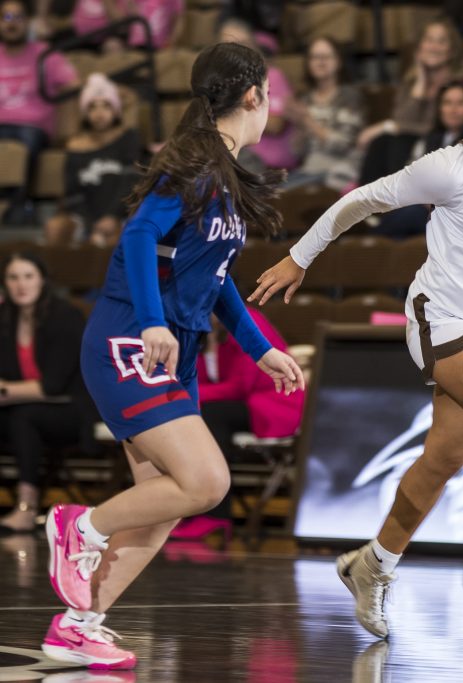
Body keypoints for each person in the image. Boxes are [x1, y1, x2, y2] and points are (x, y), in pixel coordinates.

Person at [250, 65, 463, 638]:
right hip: (444, 318)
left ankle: (373, 564)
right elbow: (363, 199)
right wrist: (300, 257)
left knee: (442, 461)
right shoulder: (451, 167)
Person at [43, 42, 304, 670]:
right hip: (131, 340)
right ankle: (81, 527)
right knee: (208, 481)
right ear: (254, 96)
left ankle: (79, 626)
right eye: (269, 95)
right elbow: (137, 235)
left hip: (169, 351)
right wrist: (155, 323)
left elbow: (214, 282)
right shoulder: (194, 162)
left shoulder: (223, 171)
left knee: (165, 504)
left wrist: (260, 347)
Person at [172, 306, 305, 541]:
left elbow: (240, 386)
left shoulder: (247, 320)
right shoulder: (194, 326)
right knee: (187, 417)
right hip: (240, 405)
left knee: (210, 416)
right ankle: (192, 506)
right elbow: (194, 378)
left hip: (274, 403)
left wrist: (182, 394)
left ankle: (217, 514)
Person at [0, 253, 97, 535]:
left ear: (42, 280)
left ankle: (27, 508)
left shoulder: (65, 316)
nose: (21, 285)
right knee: (22, 415)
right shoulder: (6, 318)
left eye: (28, 276)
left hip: (72, 410)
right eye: (13, 277)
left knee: (24, 417)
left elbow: (52, 386)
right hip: (23, 407)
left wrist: (5, 390)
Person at [357, 18, 463, 184]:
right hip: (410, 145)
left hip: (442, 146)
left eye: (441, 41)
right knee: (382, 142)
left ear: (451, 50)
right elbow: (402, 119)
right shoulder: (411, 82)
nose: (434, 47)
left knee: (397, 140)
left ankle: (394, 201)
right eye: (429, 40)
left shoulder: (457, 84)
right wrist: (421, 79)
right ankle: (368, 203)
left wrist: (386, 126)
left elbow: (435, 127)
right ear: (420, 47)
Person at [0, 0, 79, 224]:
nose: (11, 24)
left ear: (27, 22)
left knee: (25, 141)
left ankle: (19, 204)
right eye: (6, 18)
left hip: (33, 129)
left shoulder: (45, 54)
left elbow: (73, 84)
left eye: (17, 18)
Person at [44, 73, 141, 248]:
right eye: (92, 107)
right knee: (55, 227)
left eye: (106, 106)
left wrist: (112, 216)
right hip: (85, 216)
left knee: (115, 238)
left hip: (121, 212)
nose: (99, 113)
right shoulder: (75, 146)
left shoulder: (128, 138)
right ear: (85, 112)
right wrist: (91, 223)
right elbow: (72, 193)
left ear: (116, 110)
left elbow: (132, 180)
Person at [376, 81, 463, 239]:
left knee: (407, 217)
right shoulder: (428, 139)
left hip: (461, 216)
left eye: (461, 103)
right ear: (439, 108)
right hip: (424, 207)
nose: (453, 110)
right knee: (400, 235)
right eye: (447, 103)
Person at [283, 37, 365, 192]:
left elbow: (344, 144)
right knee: (268, 193)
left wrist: (307, 121)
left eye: (327, 57)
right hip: (310, 170)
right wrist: (299, 125)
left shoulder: (349, 96)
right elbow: (297, 152)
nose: (321, 62)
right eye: (315, 57)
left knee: (279, 196)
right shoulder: (305, 99)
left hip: (338, 172)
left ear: (339, 61)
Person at [220, 17, 298, 173]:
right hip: (236, 161)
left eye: (242, 44)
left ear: (254, 46)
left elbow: (275, 125)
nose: (236, 51)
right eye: (228, 46)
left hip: (268, 167)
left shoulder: (271, 76)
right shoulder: (221, 81)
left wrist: (232, 109)